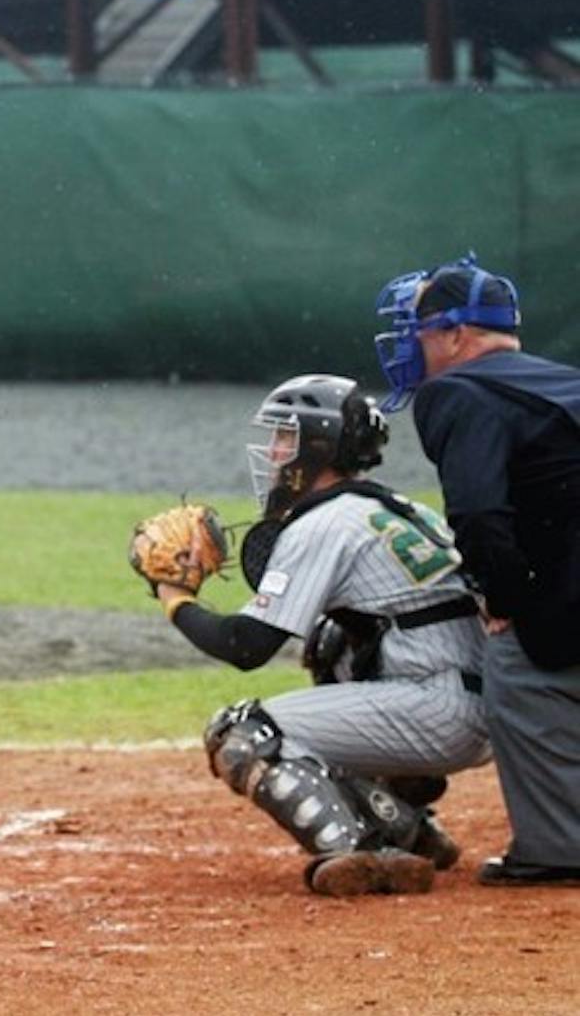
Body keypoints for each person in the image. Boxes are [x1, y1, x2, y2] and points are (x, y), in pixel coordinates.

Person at [145, 374, 490, 896]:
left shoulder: (323, 522)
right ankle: (411, 830)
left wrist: (174, 596)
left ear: (319, 446)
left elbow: (246, 647)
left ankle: (357, 849)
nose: (274, 451)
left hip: (437, 708)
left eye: (285, 437)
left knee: (243, 733)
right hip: (483, 704)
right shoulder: (391, 507)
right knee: (329, 642)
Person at [374, 252, 580, 886]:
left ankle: (558, 850)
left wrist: (507, 598)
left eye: (422, 330)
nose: (414, 343)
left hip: (566, 585)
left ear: (457, 335)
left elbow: (479, 513)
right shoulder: (564, 380)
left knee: (521, 674)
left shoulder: (457, 391)